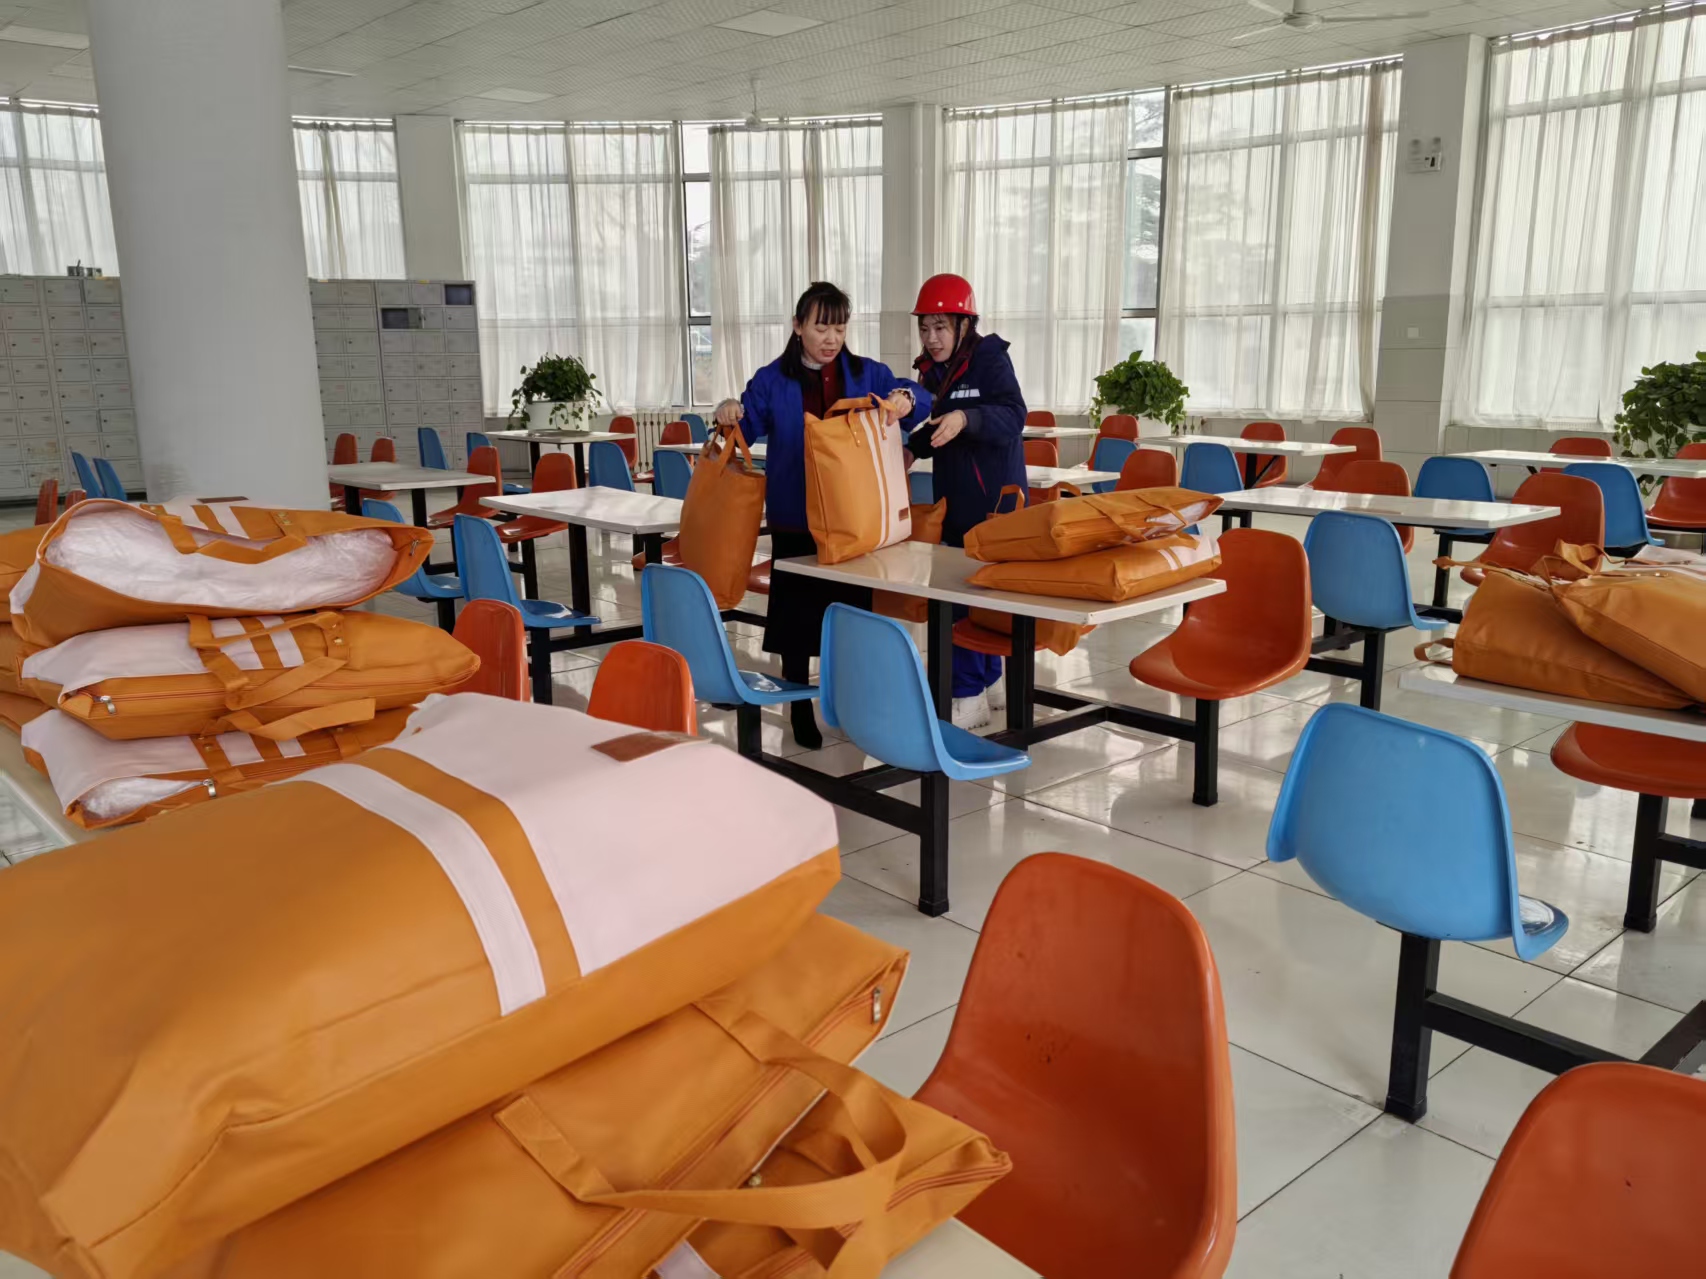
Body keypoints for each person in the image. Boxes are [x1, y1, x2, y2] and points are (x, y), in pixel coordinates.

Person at [714, 281, 931, 748]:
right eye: (821, 327)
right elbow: (744, 428)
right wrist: (728, 411)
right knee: (796, 621)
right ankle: (798, 706)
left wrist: (906, 399)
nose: (832, 338)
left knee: (852, 618)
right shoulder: (772, 379)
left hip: (855, 522)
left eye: (840, 327)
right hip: (796, 518)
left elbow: (917, 397)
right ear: (798, 327)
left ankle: (851, 703)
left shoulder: (865, 373)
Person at [905, 273, 1027, 730]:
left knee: (973, 596)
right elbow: (936, 426)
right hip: (953, 501)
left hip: (993, 502)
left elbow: (1013, 415)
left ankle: (967, 694)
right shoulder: (932, 370)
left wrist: (966, 417)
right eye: (924, 328)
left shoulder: (989, 358)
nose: (931, 338)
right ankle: (988, 682)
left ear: (964, 325)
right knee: (963, 594)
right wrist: (911, 450)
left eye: (940, 327)